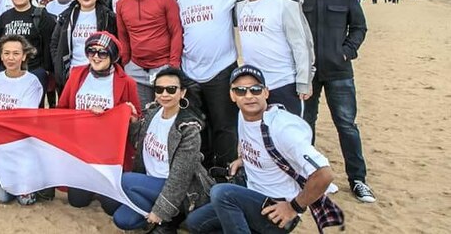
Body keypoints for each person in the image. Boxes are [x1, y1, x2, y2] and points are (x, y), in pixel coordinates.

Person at [185, 65, 344, 233]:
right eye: (240, 90)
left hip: (276, 209)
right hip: (252, 195)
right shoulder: (243, 115)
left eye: (255, 89)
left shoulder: (282, 128)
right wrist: (244, 159)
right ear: (232, 95)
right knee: (195, 223)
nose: (249, 96)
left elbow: (325, 174)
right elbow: (260, 147)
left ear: (266, 92)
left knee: (221, 193)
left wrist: (294, 207)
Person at [287, 0, 374, 202]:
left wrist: (346, 52)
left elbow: (359, 27)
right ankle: (306, 177)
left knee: (346, 125)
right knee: (304, 126)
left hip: (339, 71)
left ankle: (358, 180)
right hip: (305, 73)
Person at [112, 68, 213, 233]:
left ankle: (169, 214)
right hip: (149, 183)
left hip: (178, 190)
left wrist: (161, 211)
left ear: (182, 93)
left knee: (125, 180)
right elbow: (137, 140)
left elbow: (180, 177)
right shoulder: (153, 112)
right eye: (159, 89)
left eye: (171, 89)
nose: (164, 94)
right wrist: (130, 119)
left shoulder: (188, 129)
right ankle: (171, 220)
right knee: (122, 220)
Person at [177, 0, 246, 170]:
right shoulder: (182, 0)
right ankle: (203, 171)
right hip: (191, 73)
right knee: (199, 125)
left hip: (221, 70)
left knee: (224, 126)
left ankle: (224, 171)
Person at [57, 32, 141, 212]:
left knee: (111, 208)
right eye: (91, 51)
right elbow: (62, 107)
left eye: (102, 53)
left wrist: (127, 116)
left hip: (108, 155)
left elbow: (136, 120)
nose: (96, 57)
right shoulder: (77, 74)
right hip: (80, 150)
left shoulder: (127, 83)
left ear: (112, 56)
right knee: (77, 201)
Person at [236, 0, 313, 116]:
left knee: (289, 134)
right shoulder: (240, 5)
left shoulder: (283, 2)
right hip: (255, 86)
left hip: (284, 82)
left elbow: (301, 45)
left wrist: (304, 81)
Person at [0, 35, 44, 205]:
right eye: (7, 53)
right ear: (1, 56)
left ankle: (29, 179)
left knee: (25, 201)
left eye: (16, 53)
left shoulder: (32, 82)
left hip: (21, 144)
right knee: (3, 198)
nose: (11, 58)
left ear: (24, 56)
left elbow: (27, 117)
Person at [116, 0, 183, 107]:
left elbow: (176, 32)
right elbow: (123, 36)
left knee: (165, 111)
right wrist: (126, 63)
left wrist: (173, 64)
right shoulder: (121, 4)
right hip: (136, 68)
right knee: (142, 113)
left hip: (163, 65)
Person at [0, 0, 55, 106]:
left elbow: (48, 43)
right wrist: (0, 68)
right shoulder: (5, 17)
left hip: (34, 70)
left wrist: (46, 70)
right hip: (9, 71)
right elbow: (0, 43)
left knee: (33, 110)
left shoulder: (41, 15)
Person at [51, 0, 117, 90]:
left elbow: (115, 43)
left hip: (100, 71)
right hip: (72, 72)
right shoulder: (66, 17)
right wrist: (58, 64)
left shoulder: (108, 17)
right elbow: (55, 43)